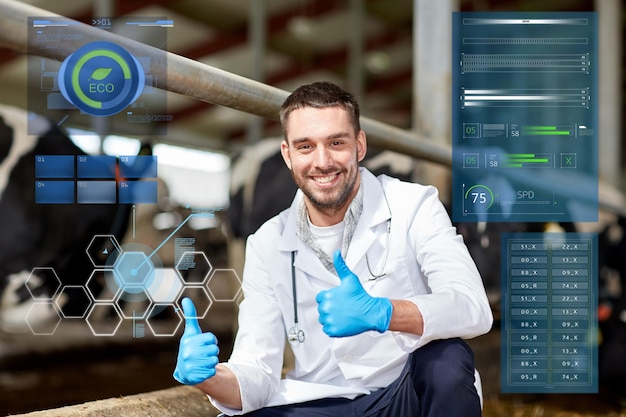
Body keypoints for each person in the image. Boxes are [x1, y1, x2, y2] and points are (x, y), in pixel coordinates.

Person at [173, 81, 493, 416]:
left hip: (403, 393)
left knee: (446, 359)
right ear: (288, 155)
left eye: (336, 143)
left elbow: (472, 307)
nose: (322, 162)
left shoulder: (414, 205)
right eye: (305, 147)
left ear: (359, 145)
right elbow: (257, 371)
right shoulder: (267, 241)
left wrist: (385, 312)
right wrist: (209, 378)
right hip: (320, 400)